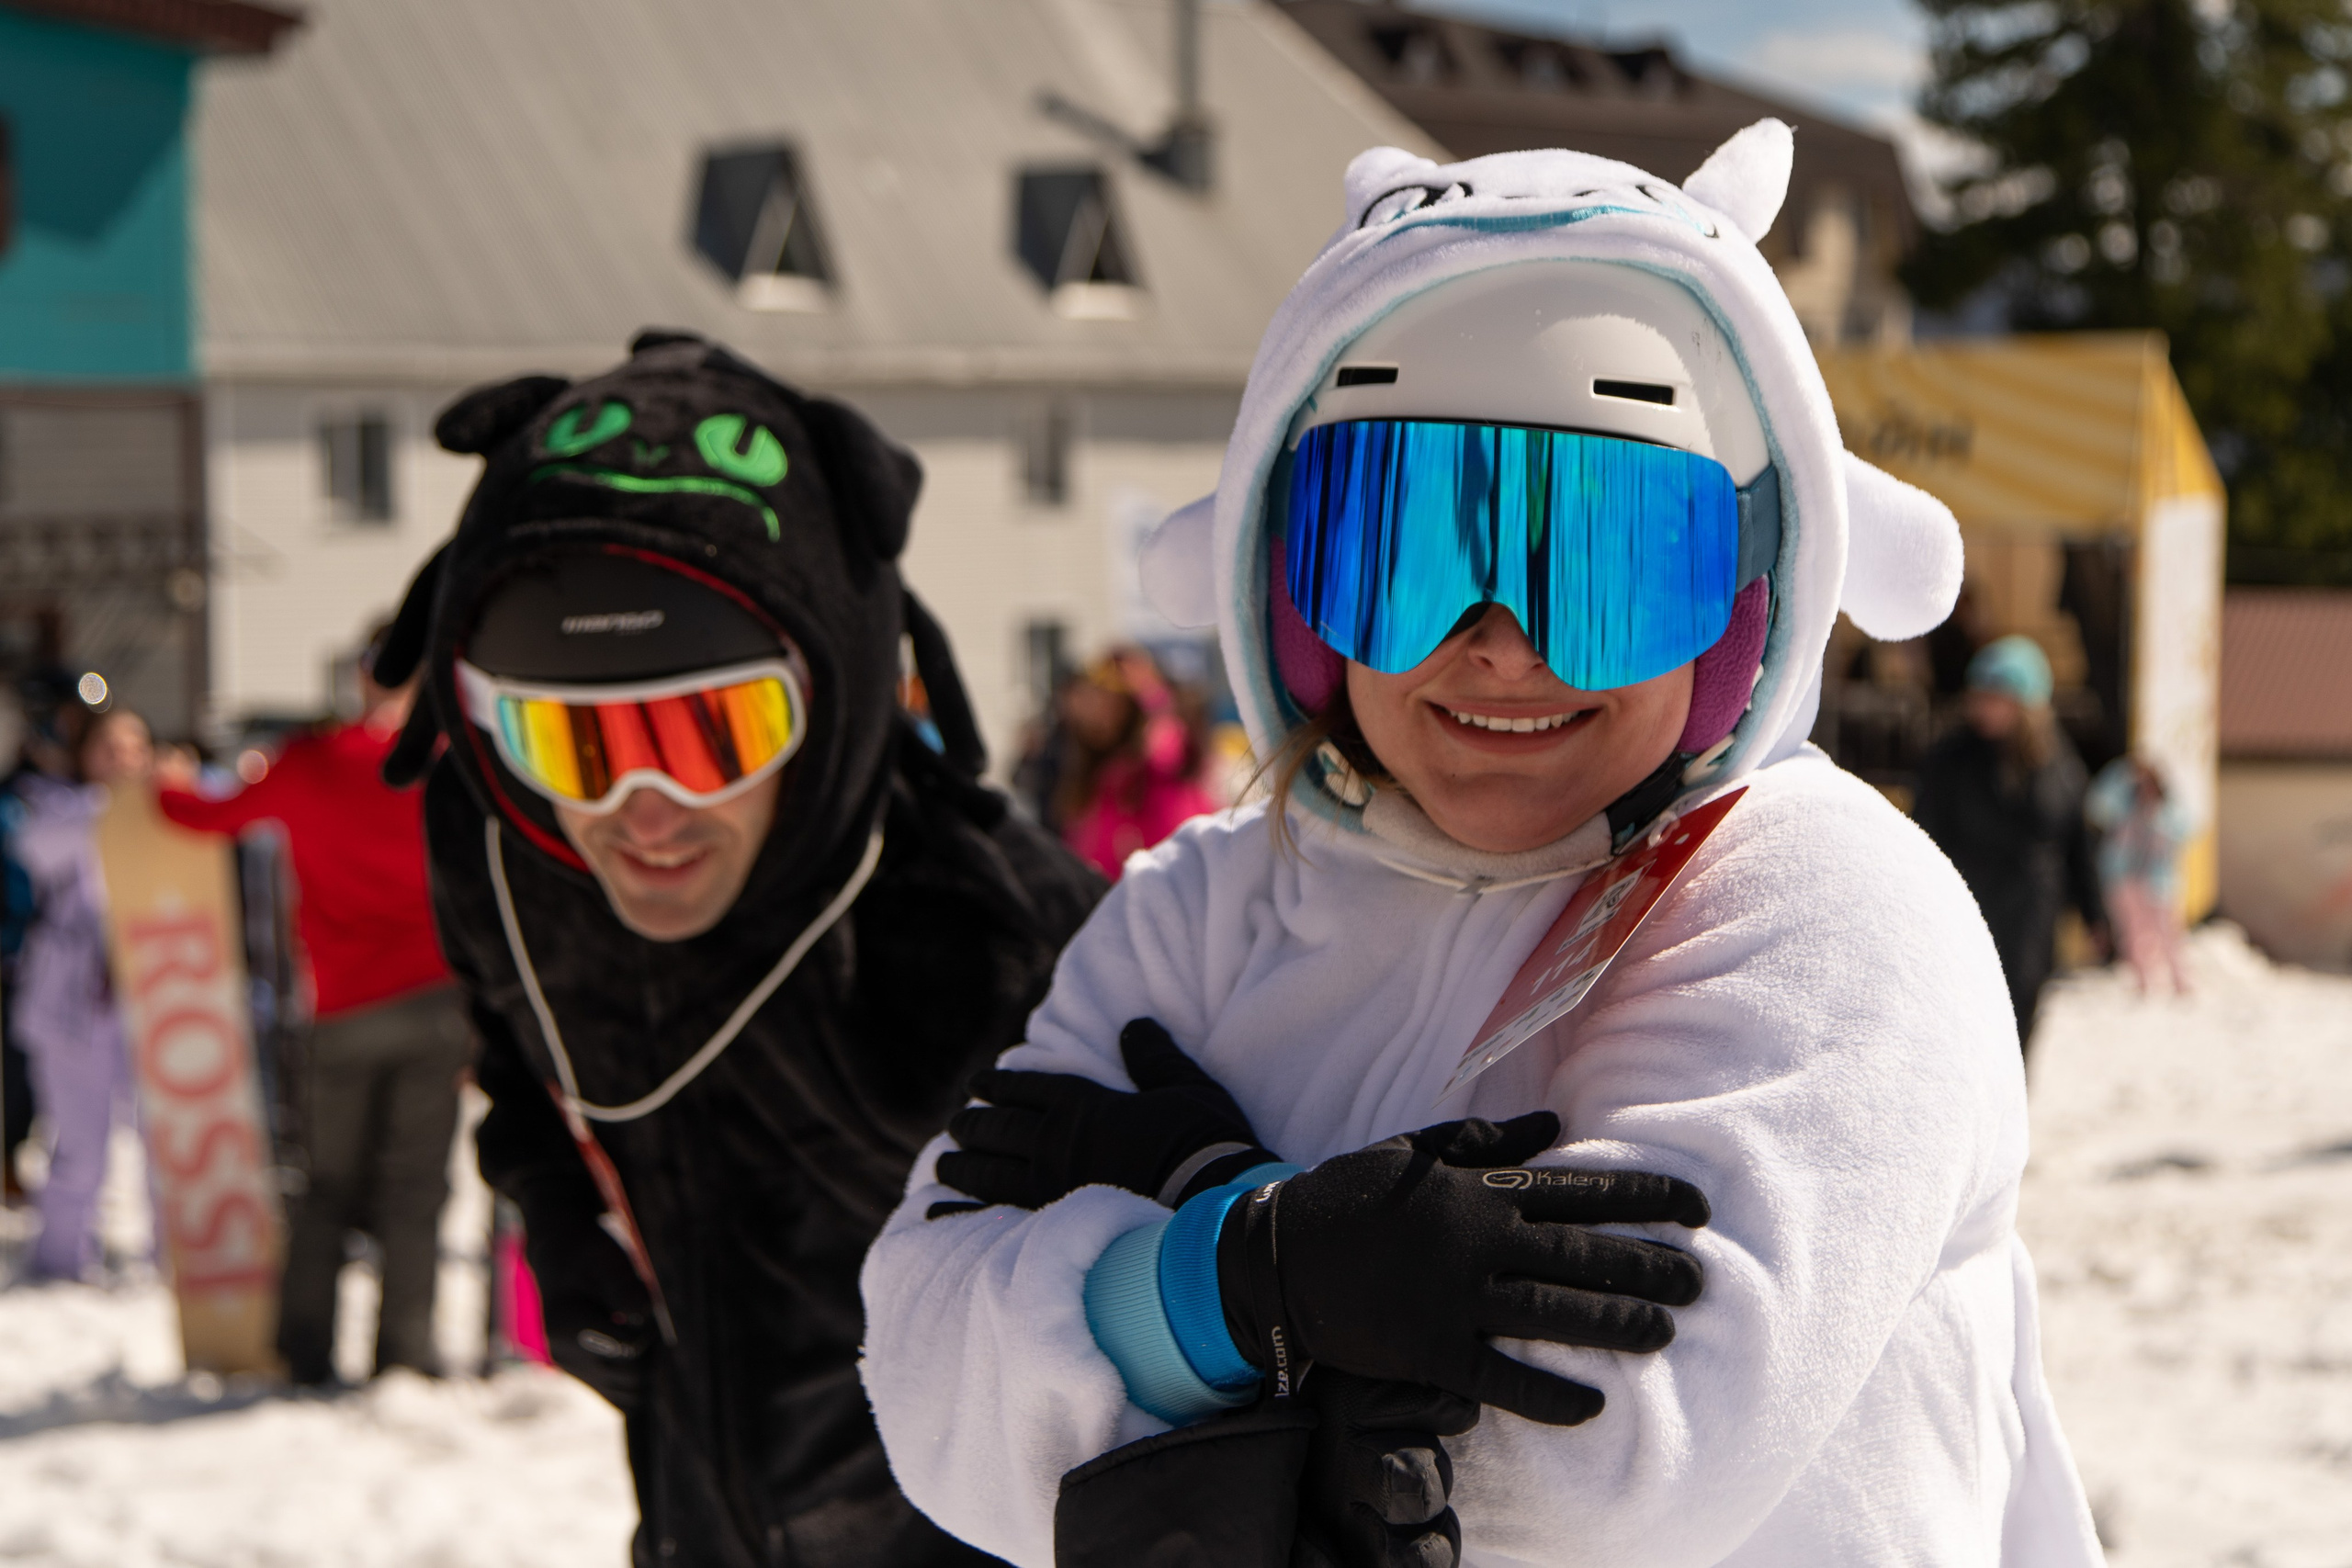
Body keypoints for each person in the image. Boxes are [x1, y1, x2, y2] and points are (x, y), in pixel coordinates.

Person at [859, 130, 2103, 1566]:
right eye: (1402, 546)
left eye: (1607, 559)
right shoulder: (1203, 900)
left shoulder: (1822, 906)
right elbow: (924, 1374)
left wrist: (1178, 1233)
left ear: (1746, 598)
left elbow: (1591, 1468)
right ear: (1291, 581)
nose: (1499, 645)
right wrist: (1245, 1275)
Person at [370, 331, 1101, 1566]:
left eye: (714, 733)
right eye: (574, 745)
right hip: (699, 1501)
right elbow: (510, 1045)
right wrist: (550, 1202)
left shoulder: (991, 934)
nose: (640, 810)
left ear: (832, 697)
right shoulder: (501, 856)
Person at [157, 633, 467, 1385]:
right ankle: (406, 1353)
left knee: (325, 1184)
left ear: (357, 680)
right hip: (438, 1003)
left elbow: (202, 816)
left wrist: (166, 779)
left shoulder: (310, 762)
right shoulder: (450, 766)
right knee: (415, 1188)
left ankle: (305, 1351)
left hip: (344, 1008)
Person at [10, 706, 154, 1280]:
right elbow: (37, 852)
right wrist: (120, 806)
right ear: (85, 754)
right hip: (74, 1004)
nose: (122, 758)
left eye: (133, 746)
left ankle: (174, 1259)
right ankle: (60, 1260)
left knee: (165, 1141)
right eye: (109, 747)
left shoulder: (170, 811)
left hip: (155, 997)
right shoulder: (58, 811)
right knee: (78, 1145)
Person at [1914, 635, 2106, 1046]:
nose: (1983, 704)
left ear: (2027, 705)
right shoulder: (1950, 759)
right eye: (1979, 693)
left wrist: (2094, 915)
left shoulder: (2060, 764)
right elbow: (1923, 835)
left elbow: (2076, 844)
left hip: (2032, 918)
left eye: (1996, 695)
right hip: (1969, 907)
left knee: (2020, 1019)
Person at [1055, 647, 1220, 880]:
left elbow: (1167, 748)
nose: (1100, 710)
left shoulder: (1159, 757)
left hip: (1165, 887)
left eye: (1112, 700)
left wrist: (1150, 692)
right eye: (1095, 697)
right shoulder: (1095, 772)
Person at [2085, 754, 2192, 996]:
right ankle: (2144, 982)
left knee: (2169, 932)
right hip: (2124, 878)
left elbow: (2187, 827)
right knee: (2132, 934)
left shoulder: (2168, 810)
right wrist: (2122, 773)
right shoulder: (2123, 804)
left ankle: (2181, 981)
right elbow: (2095, 805)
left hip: (2159, 881)